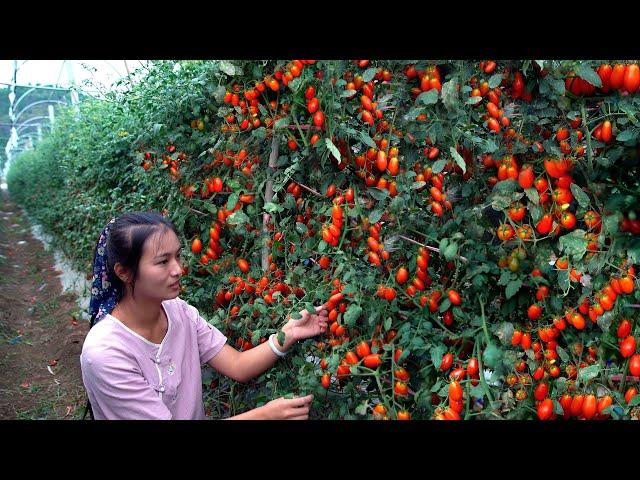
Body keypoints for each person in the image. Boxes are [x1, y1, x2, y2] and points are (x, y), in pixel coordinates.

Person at [81, 212, 329, 420]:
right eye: (162, 262)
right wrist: (265, 415)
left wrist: (289, 333)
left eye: (177, 256)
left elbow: (237, 365)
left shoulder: (179, 312)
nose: (178, 269)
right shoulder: (105, 353)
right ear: (124, 272)